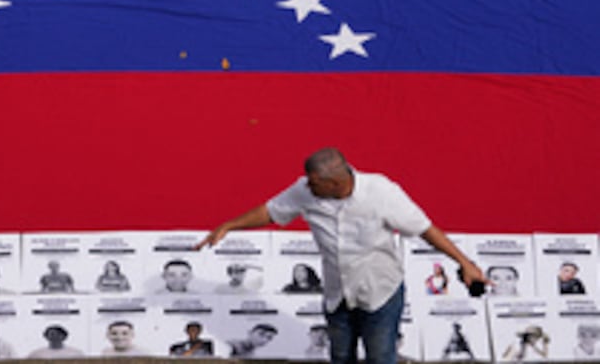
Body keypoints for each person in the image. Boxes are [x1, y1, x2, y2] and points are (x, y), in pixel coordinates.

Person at [198, 148, 485, 364]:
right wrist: (229, 225)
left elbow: (425, 229)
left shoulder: (382, 192)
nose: (306, 188)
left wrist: (464, 263)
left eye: (314, 184)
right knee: (340, 357)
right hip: (338, 296)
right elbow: (271, 211)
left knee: (380, 357)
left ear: (335, 183)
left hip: (380, 294)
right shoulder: (305, 190)